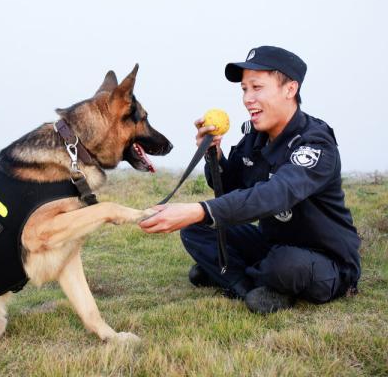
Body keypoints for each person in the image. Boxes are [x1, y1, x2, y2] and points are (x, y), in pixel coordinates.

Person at [139, 45, 361, 314]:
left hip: (326, 258)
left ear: (290, 89)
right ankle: (249, 288)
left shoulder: (314, 144)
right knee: (196, 228)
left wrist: (199, 209)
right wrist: (214, 154)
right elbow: (231, 188)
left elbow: (275, 194)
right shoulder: (255, 137)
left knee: (285, 264)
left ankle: (230, 272)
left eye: (257, 87)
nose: (247, 99)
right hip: (272, 244)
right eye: (244, 89)